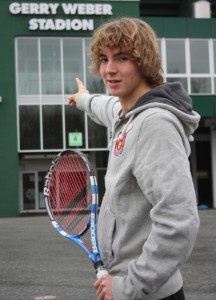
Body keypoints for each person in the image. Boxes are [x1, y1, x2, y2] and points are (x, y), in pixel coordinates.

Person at [68, 17, 200, 300]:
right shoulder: (125, 112)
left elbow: (179, 220)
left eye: (122, 58)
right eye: (103, 59)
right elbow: (104, 106)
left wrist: (130, 285)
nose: (109, 69)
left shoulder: (155, 125)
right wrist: (82, 98)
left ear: (144, 62)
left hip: (148, 294)